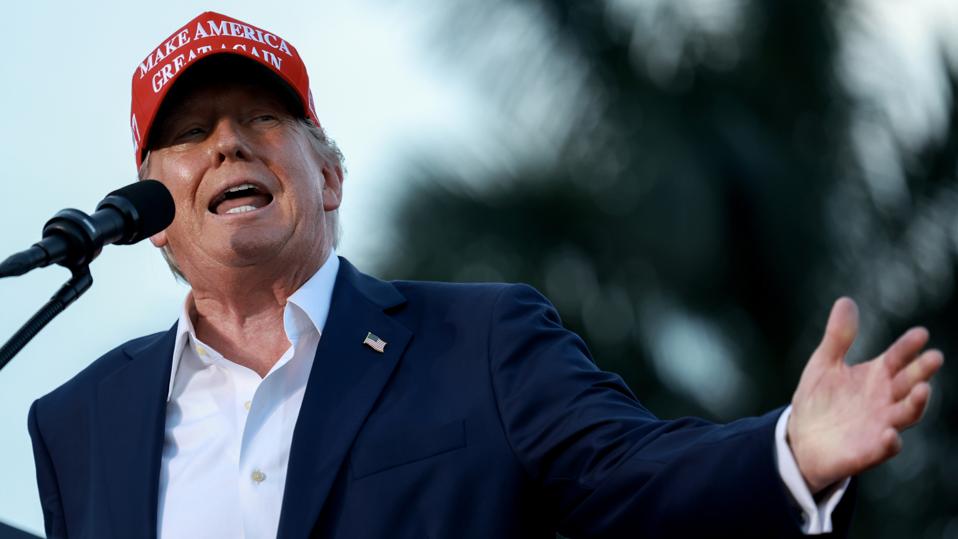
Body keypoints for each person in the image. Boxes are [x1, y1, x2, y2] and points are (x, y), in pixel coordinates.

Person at [27, 11, 943, 539]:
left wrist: (788, 452)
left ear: (330, 174)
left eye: (261, 118)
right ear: (150, 211)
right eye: (188, 133)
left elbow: (635, 477)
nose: (226, 140)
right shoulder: (78, 421)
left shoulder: (481, 342)